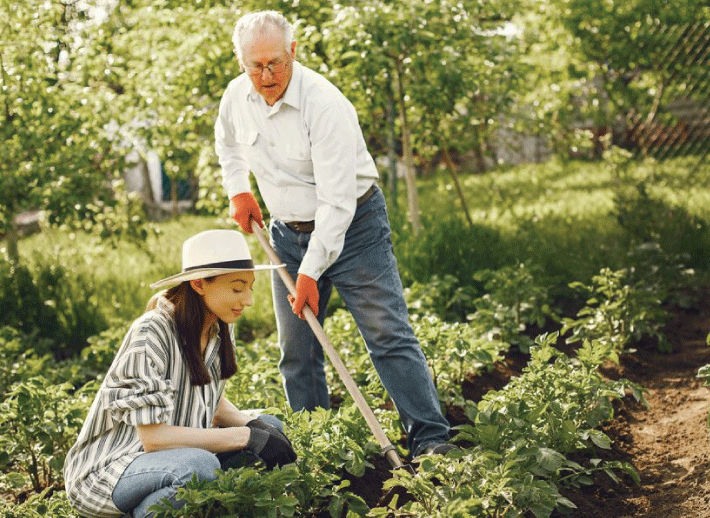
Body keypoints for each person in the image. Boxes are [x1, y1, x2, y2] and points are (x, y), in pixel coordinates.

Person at [214, 10, 454, 460]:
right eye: (254, 66)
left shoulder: (324, 105)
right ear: (241, 61)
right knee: (297, 350)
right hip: (286, 233)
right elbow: (226, 143)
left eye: (275, 63)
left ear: (294, 52)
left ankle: (430, 440)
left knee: (387, 334)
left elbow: (338, 204)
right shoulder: (236, 97)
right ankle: (318, 448)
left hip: (354, 227)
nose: (266, 75)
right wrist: (239, 190)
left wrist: (310, 273)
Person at [63, 229, 297, 518]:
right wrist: (245, 437)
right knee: (198, 467)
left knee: (272, 424)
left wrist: (255, 426)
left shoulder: (219, 326)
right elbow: (154, 439)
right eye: (237, 288)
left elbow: (208, 398)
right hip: (114, 468)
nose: (248, 300)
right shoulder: (152, 332)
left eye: (251, 287)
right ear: (199, 284)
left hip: (169, 456)